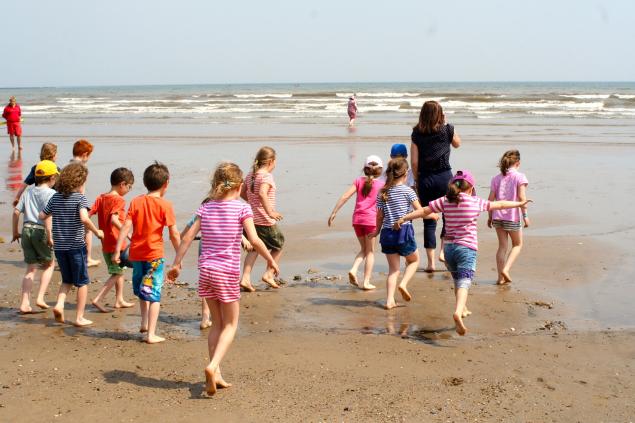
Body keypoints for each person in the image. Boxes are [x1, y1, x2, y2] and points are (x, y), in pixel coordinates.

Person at [167, 162, 279, 396]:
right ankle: (212, 365)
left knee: (216, 324)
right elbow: (256, 240)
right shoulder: (241, 209)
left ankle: (216, 375)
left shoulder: (206, 208)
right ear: (239, 187)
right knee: (230, 325)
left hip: (205, 271)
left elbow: (187, 237)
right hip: (226, 273)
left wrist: (176, 264)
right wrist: (270, 259)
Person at [394, 169, 532, 335]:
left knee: (457, 279)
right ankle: (458, 312)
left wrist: (404, 218)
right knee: (464, 281)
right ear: (471, 188)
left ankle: (463, 308)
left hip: (450, 249)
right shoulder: (475, 202)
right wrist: (519, 204)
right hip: (467, 248)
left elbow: (424, 211)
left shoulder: (445, 200)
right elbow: (500, 204)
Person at [112, 162, 180, 344]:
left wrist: (118, 250)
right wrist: (179, 255)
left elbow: (126, 227)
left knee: (143, 290)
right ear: (166, 183)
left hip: (137, 255)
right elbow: (173, 233)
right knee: (154, 293)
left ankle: (144, 323)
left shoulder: (136, 201)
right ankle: (151, 334)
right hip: (154, 257)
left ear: (145, 182)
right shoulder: (165, 205)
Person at [39, 162, 104, 327]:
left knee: (66, 280)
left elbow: (42, 216)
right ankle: (79, 317)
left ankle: (60, 305)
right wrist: (97, 232)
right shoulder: (80, 198)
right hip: (76, 246)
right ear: (79, 182)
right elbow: (84, 218)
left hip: (60, 247)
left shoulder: (55, 197)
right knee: (82, 282)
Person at [180, 204, 254, 330]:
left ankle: (205, 316)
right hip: (221, 255)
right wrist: (244, 239)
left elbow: (183, 235)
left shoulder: (202, 212)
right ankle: (222, 318)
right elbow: (229, 227)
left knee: (207, 285)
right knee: (221, 284)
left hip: (204, 249)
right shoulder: (227, 211)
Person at [411, 101, 461, 272]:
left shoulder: (417, 133)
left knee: (428, 220)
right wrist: (446, 123)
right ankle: (443, 253)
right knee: (448, 216)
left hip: (426, 178)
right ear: (440, 114)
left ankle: (430, 263)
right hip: (445, 177)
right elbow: (457, 144)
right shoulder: (446, 129)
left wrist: (417, 181)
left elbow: (415, 161)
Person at [370, 158, 427, 309]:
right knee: (414, 261)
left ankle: (389, 301)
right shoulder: (408, 191)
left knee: (393, 270)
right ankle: (403, 284)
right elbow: (420, 211)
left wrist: (376, 231)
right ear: (406, 174)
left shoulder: (383, 192)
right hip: (404, 233)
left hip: (387, 235)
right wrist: (430, 214)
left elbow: (379, 216)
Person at [328, 155, 384, 290]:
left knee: (364, 249)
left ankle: (354, 269)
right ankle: (366, 281)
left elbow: (345, 196)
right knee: (370, 252)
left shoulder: (358, 181)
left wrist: (334, 212)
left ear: (364, 169)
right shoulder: (382, 185)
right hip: (371, 221)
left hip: (357, 220)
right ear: (380, 170)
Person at [11, 160, 58, 313]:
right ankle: (40, 298)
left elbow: (16, 212)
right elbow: (48, 216)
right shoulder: (52, 194)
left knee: (30, 269)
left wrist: (15, 232)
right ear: (52, 178)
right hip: (41, 230)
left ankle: (25, 303)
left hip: (26, 230)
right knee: (49, 264)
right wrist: (50, 235)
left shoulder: (28, 191)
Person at [89, 168, 136, 312]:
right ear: (122, 184)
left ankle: (119, 300)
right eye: (129, 187)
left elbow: (88, 214)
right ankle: (98, 299)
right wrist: (127, 233)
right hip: (117, 243)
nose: (129, 190)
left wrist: (92, 230)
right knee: (117, 273)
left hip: (105, 245)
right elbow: (114, 219)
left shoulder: (101, 197)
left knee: (119, 271)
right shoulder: (119, 200)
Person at [239, 146, 284, 291]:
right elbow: (263, 193)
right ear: (271, 161)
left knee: (254, 249)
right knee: (278, 245)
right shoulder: (266, 177)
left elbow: (242, 193)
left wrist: (252, 203)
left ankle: (245, 278)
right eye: (275, 162)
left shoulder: (251, 175)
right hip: (265, 220)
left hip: (252, 220)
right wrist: (270, 212)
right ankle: (269, 273)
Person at [488, 150, 529, 284]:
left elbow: (490, 200)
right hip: (512, 217)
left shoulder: (496, 178)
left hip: (497, 217)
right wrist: (525, 216)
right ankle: (506, 269)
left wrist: (490, 217)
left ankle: (500, 278)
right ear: (518, 163)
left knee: (502, 247)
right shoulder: (520, 177)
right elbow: (522, 198)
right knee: (517, 244)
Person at [69, 139, 100, 268]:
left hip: (67, 200)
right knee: (88, 230)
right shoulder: (82, 167)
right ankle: (87, 258)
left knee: (71, 230)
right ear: (85, 154)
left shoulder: (68, 165)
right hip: (78, 201)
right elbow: (81, 188)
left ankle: (70, 257)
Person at [13, 143, 59, 207]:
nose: (57, 156)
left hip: (38, 199)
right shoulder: (56, 169)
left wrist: (17, 197)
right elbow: (62, 186)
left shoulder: (36, 168)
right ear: (53, 155)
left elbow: (25, 184)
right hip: (53, 200)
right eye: (56, 154)